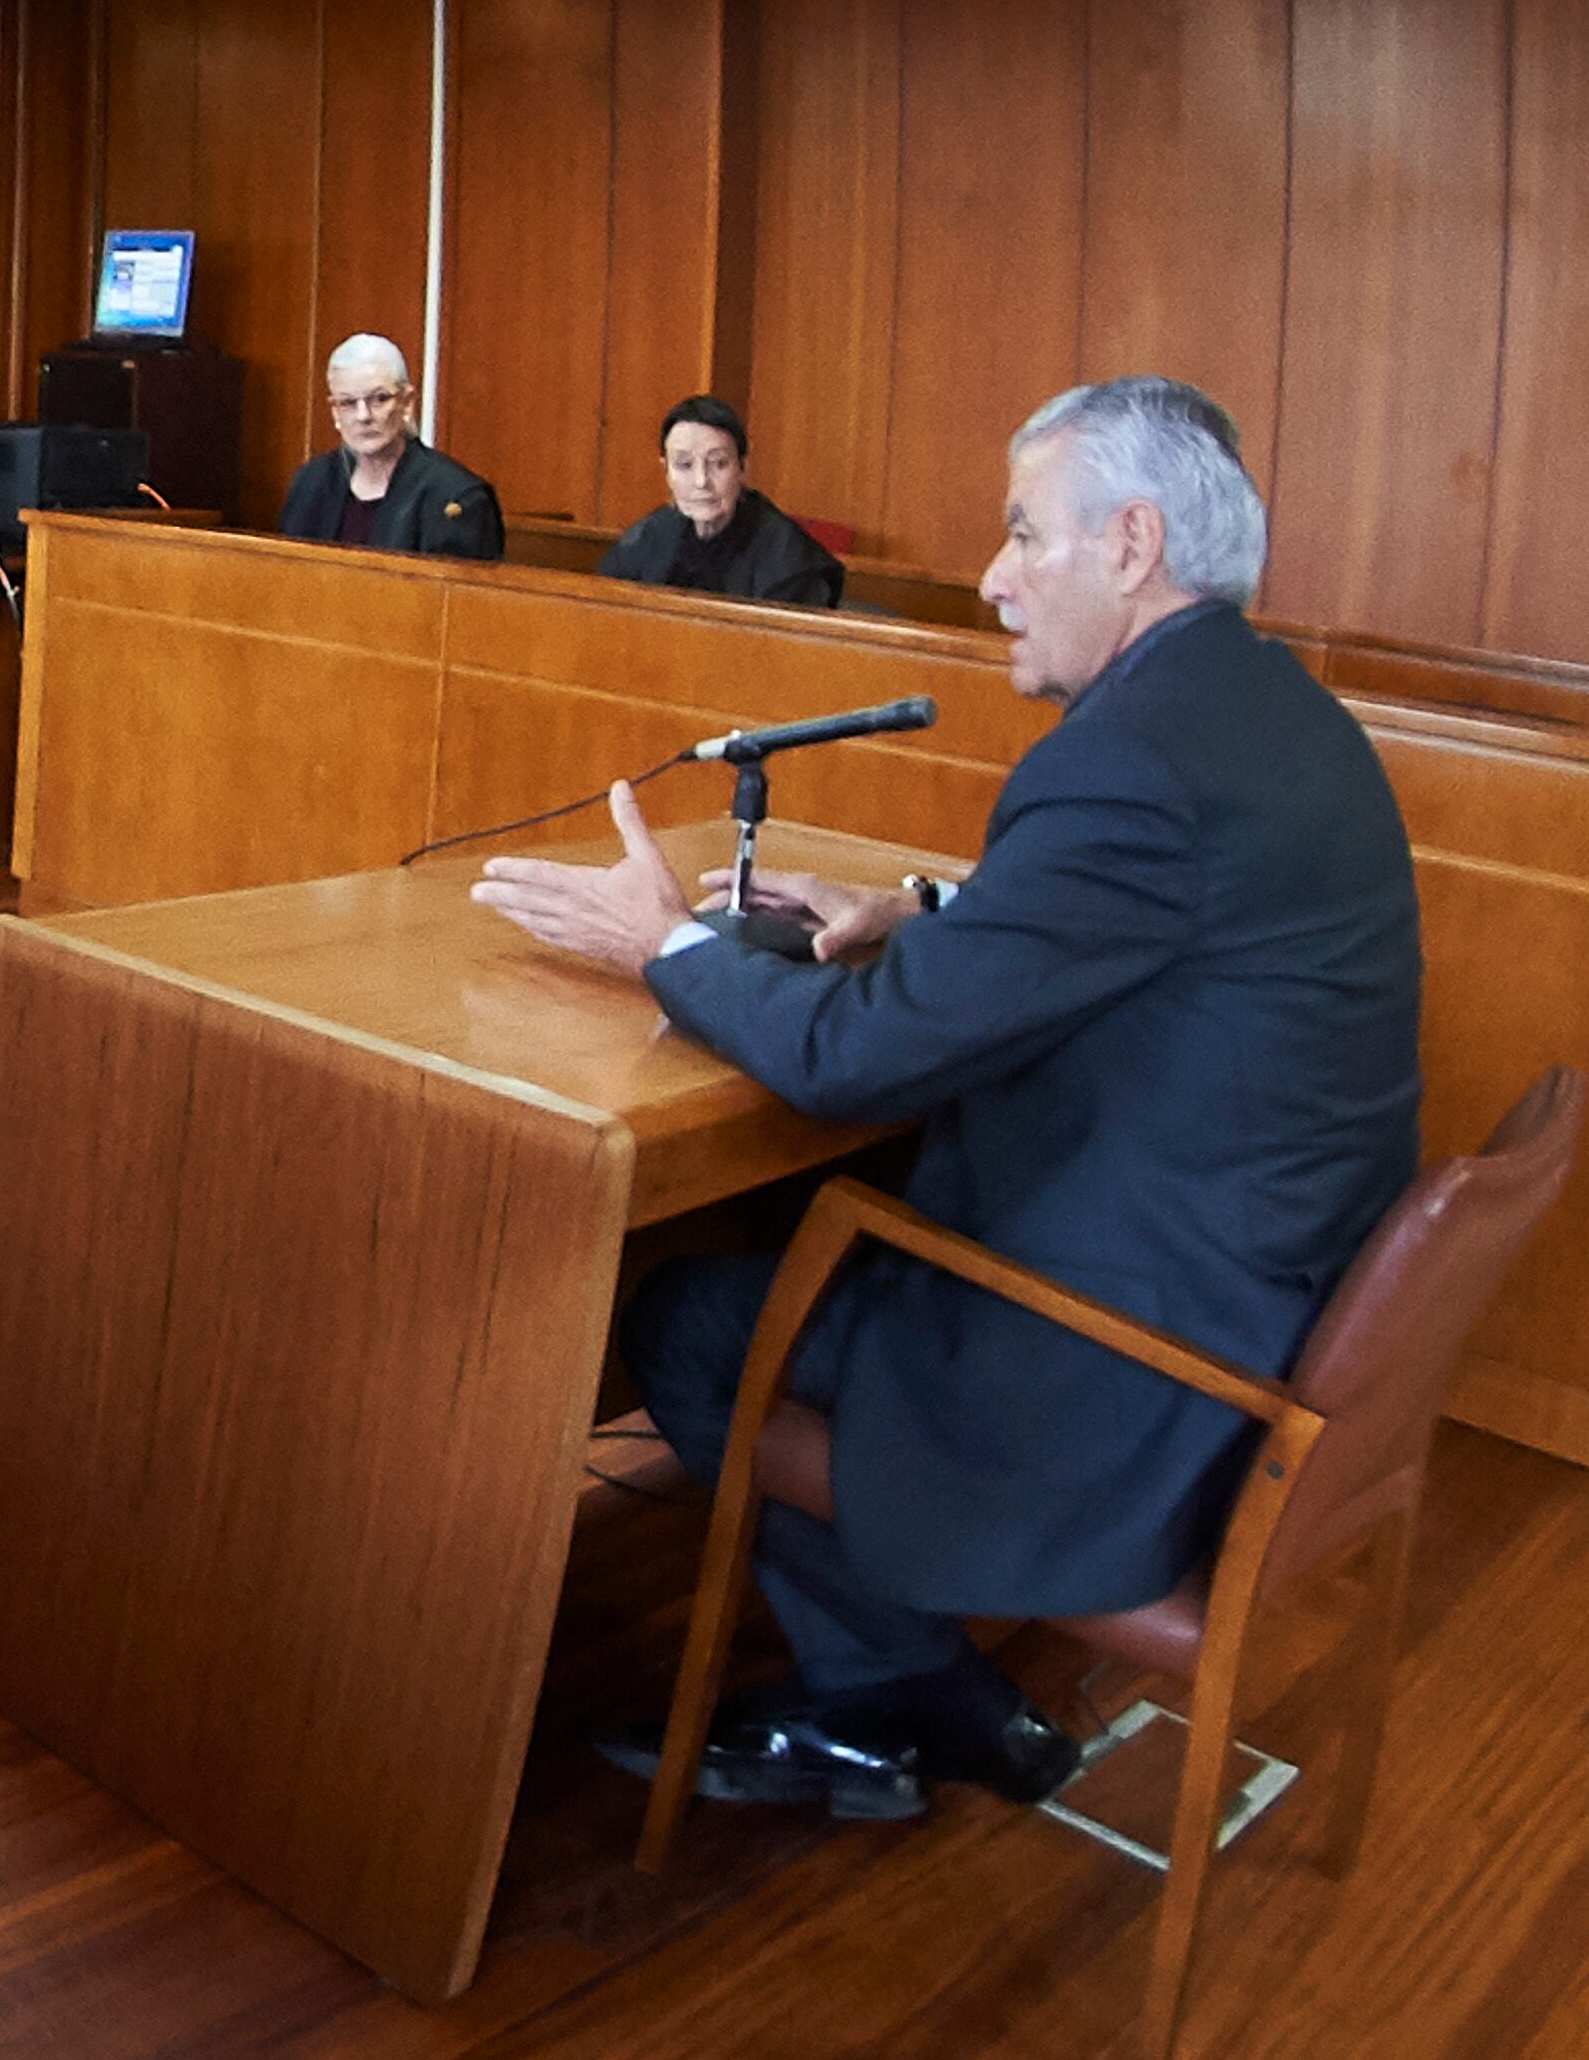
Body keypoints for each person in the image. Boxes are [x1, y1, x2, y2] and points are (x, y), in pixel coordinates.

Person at [471, 377, 1422, 1821]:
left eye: (1022, 533)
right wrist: (917, 910)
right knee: (814, 1218)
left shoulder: (1124, 765)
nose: (989, 580)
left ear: (1131, 544)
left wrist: (654, 943)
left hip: (1128, 1372)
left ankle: (879, 1690)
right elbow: (1152, 926)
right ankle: (909, 1665)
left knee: (689, 1310)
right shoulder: (1268, 711)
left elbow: (855, 1060)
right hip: (1247, 1297)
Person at [597, 393, 845, 608]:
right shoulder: (648, 536)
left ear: (743, 468)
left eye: (718, 463)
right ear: (666, 471)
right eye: (684, 465)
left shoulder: (789, 560)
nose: (701, 481)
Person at [275, 334, 502, 556]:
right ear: (335, 412)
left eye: (379, 399)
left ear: (406, 403)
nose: (363, 415)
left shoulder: (456, 497)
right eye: (348, 403)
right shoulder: (311, 481)